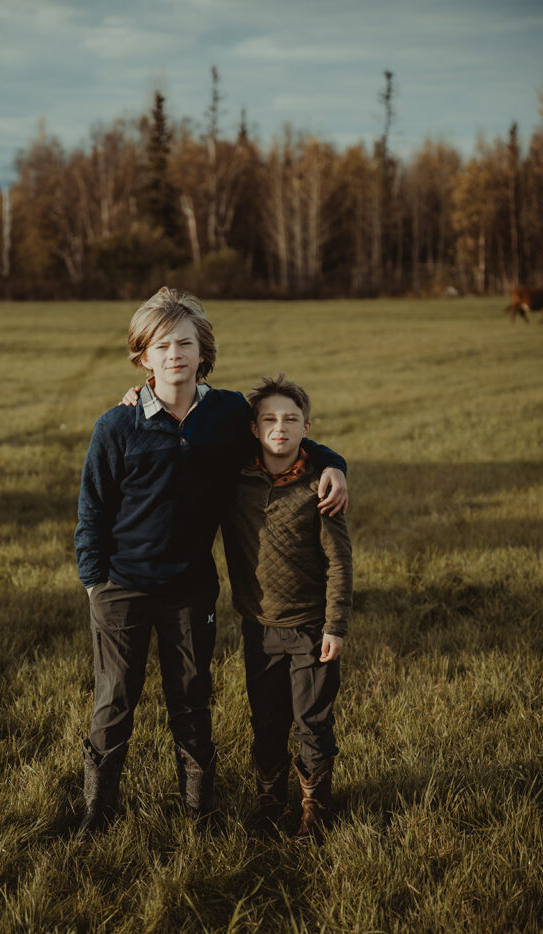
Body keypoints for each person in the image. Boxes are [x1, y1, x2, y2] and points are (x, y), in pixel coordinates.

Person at [74, 288, 348, 835]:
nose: (174, 353)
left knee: (192, 702)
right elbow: (92, 509)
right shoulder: (116, 426)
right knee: (114, 703)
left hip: (191, 589)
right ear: (142, 357)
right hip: (122, 587)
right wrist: (94, 583)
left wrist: (333, 462)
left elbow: (280, 432)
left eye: (185, 343)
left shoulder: (225, 414)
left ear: (203, 353)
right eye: (160, 345)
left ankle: (199, 813)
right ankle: (95, 811)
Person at [221, 374, 353, 839]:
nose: (280, 427)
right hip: (258, 628)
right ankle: (269, 802)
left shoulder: (320, 487)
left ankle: (315, 811)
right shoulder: (234, 480)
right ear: (254, 429)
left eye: (291, 419)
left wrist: (335, 627)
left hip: (311, 630)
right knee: (267, 720)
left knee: (313, 722)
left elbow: (340, 563)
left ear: (307, 428)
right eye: (270, 419)